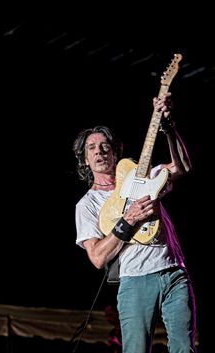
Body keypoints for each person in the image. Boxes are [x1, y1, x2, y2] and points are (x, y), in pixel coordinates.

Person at [73, 92, 196, 353]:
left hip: (174, 271)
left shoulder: (141, 176)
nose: (99, 150)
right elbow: (96, 257)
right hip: (136, 280)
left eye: (105, 145)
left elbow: (182, 167)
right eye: (91, 148)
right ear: (85, 159)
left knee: (185, 348)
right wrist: (128, 220)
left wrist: (169, 128)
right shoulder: (87, 205)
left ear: (115, 151)